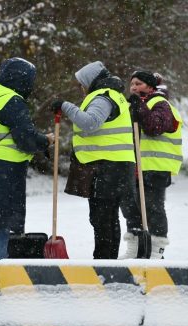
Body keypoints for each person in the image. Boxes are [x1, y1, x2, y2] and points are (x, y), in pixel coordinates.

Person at [0, 57, 54, 283]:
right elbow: (25, 138)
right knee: (1, 219)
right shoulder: (11, 100)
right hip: (3, 168)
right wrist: (45, 141)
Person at [51, 61, 135, 259]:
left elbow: (90, 123)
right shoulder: (113, 95)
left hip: (107, 167)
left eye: (82, 83)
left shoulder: (103, 98)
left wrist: (66, 106)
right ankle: (108, 261)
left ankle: (103, 261)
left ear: (91, 81)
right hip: (114, 166)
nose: (81, 88)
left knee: (102, 218)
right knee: (108, 217)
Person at [119, 71, 184, 259]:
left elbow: (154, 127)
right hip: (135, 167)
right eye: (132, 84)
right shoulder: (132, 105)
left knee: (153, 208)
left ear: (150, 87)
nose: (133, 87)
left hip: (155, 166)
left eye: (138, 84)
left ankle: (157, 250)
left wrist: (139, 107)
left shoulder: (161, 104)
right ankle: (135, 247)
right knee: (131, 208)